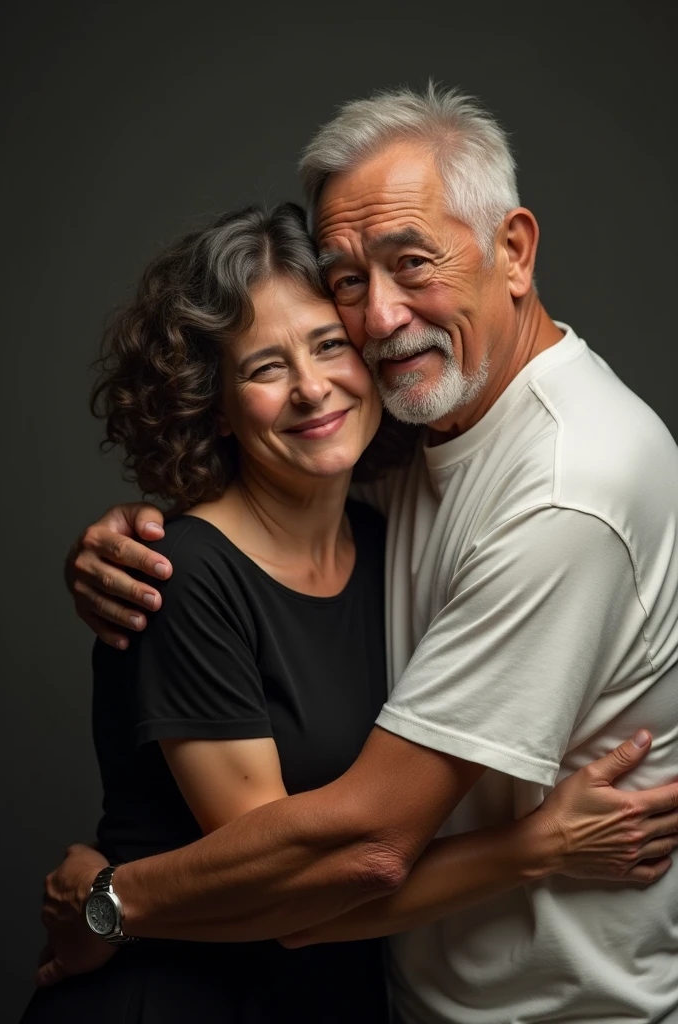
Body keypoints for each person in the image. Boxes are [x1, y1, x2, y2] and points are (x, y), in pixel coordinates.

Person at [45, 87, 678, 1023]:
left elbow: (360, 851)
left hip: (558, 1011)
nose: (380, 319)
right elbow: (250, 535)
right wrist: (109, 546)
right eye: (348, 280)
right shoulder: (419, 450)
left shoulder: (561, 488)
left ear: (514, 250)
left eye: (411, 263)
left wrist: (112, 904)